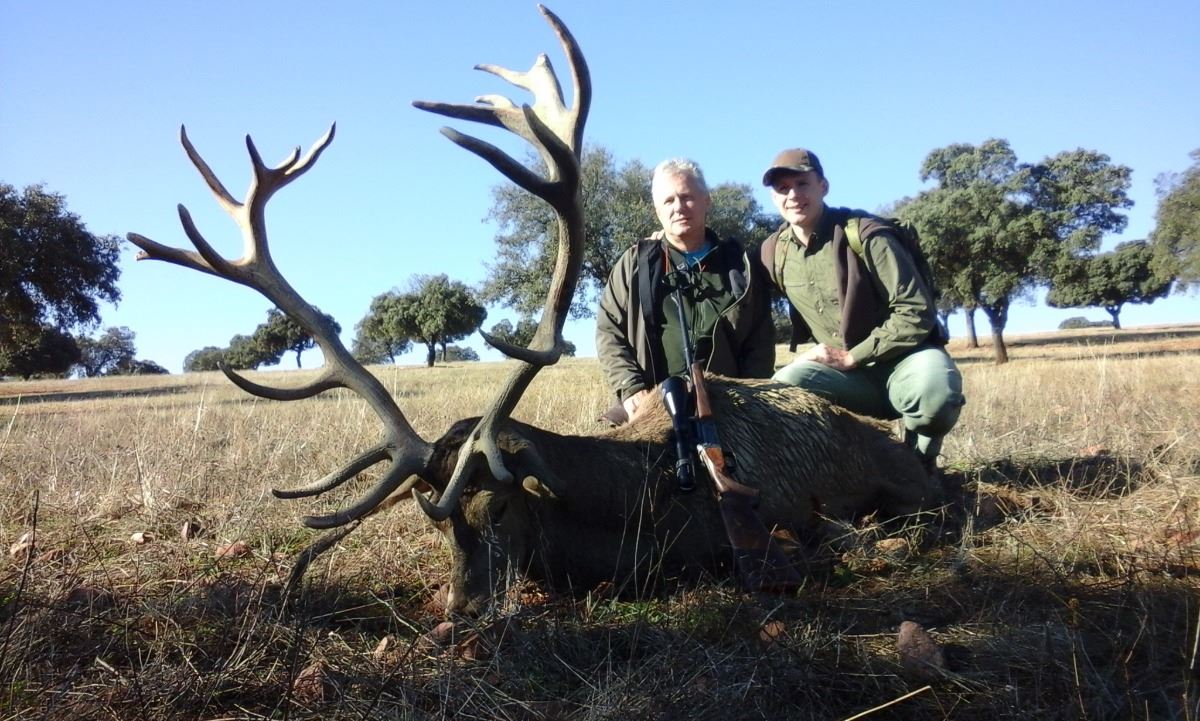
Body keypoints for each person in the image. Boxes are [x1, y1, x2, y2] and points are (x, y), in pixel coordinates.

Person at [761, 148, 964, 470]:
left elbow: (915, 311)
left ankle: (921, 467)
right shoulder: (774, 253)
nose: (793, 195)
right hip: (845, 377)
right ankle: (848, 470)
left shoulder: (865, 234)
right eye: (783, 189)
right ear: (774, 198)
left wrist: (854, 356)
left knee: (936, 396)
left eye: (802, 184)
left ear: (823, 186)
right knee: (783, 390)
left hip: (904, 359)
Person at [596, 158, 775, 423]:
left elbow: (760, 342)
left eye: (687, 197)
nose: (678, 207)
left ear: (707, 201)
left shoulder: (740, 265)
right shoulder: (634, 264)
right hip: (649, 405)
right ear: (658, 211)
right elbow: (609, 330)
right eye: (668, 201)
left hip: (728, 408)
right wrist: (630, 387)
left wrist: (747, 401)